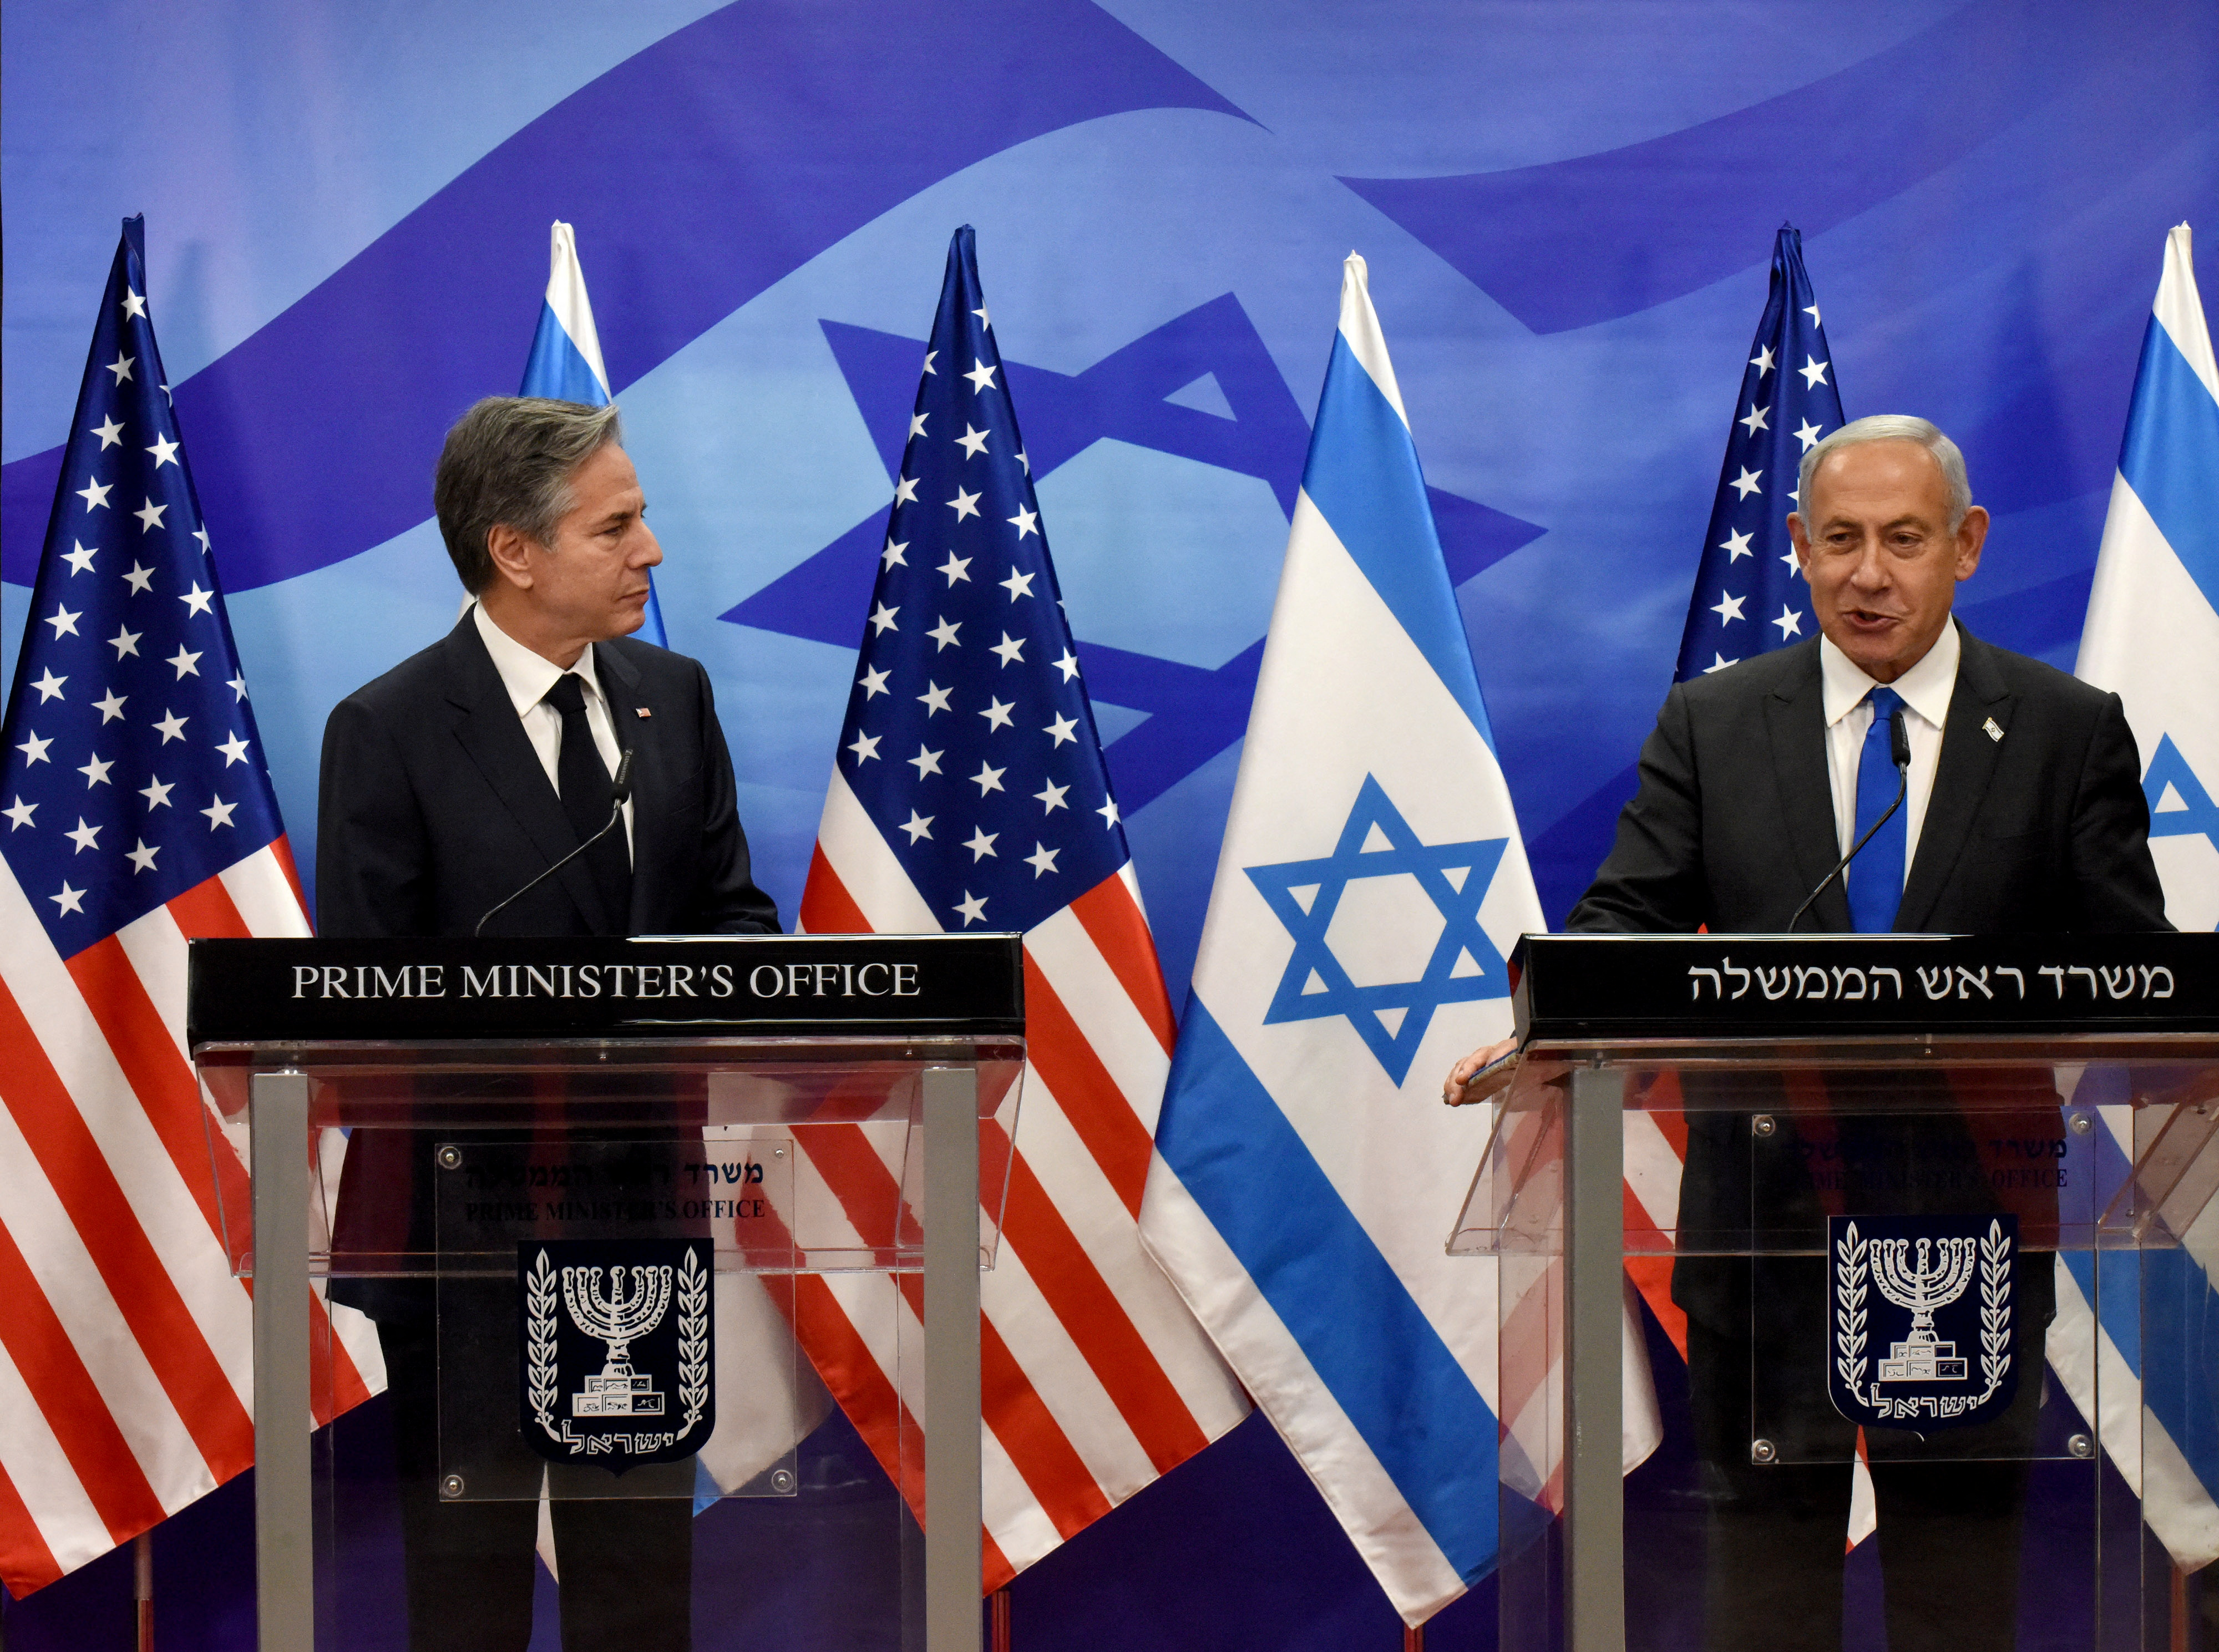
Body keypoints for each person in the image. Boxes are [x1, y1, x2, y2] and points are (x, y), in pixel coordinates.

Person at [1445, 415, 2169, 1652]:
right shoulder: (1713, 722)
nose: (1867, 573)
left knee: (1955, 1598)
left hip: (1969, 1242)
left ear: (1965, 545)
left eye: (1901, 539)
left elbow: (2132, 972)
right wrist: (1549, 1027)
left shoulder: (2060, 730)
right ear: (1794, 545)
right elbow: (1625, 916)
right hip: (1765, 1233)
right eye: (1837, 540)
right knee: (1765, 1603)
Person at [318, 397, 780, 1652]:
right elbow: (361, 1005)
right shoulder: (389, 729)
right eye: (616, 526)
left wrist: (741, 983)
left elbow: (732, 918)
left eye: (640, 520)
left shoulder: (670, 700)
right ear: (513, 551)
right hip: (455, 1227)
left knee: (637, 1599)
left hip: (629, 1212)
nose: (652, 551)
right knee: (465, 1604)